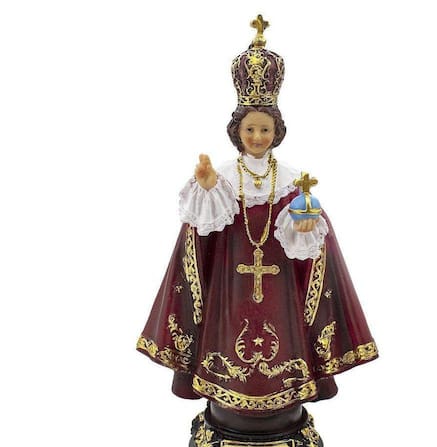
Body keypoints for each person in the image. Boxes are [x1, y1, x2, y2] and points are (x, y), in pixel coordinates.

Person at [137, 19, 378, 418]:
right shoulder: (225, 179)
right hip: (229, 284)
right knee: (229, 331)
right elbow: (202, 232)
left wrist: (305, 223)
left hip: (280, 285)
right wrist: (208, 189)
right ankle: (227, 401)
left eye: (265, 129)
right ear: (238, 131)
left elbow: (309, 233)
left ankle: (284, 400)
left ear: (276, 132)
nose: (257, 137)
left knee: (281, 332)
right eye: (250, 128)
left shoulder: (291, 180)